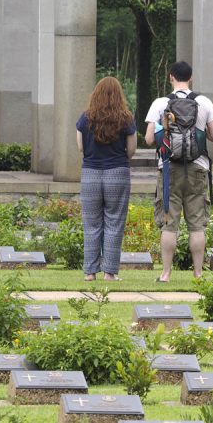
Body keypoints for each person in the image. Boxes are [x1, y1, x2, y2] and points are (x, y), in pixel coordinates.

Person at [145, 61, 213, 282]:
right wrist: (202, 131)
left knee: (169, 224)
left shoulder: (161, 103)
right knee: (196, 225)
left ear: (171, 77)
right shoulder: (204, 102)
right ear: (191, 78)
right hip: (198, 168)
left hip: (169, 170)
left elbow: (150, 139)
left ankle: (166, 273)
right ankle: (198, 274)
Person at [76, 76, 137, 281]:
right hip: (117, 172)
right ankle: (109, 273)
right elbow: (132, 150)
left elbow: (80, 148)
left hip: (91, 173)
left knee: (91, 223)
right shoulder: (126, 118)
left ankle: (89, 272)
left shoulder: (85, 118)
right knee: (114, 222)